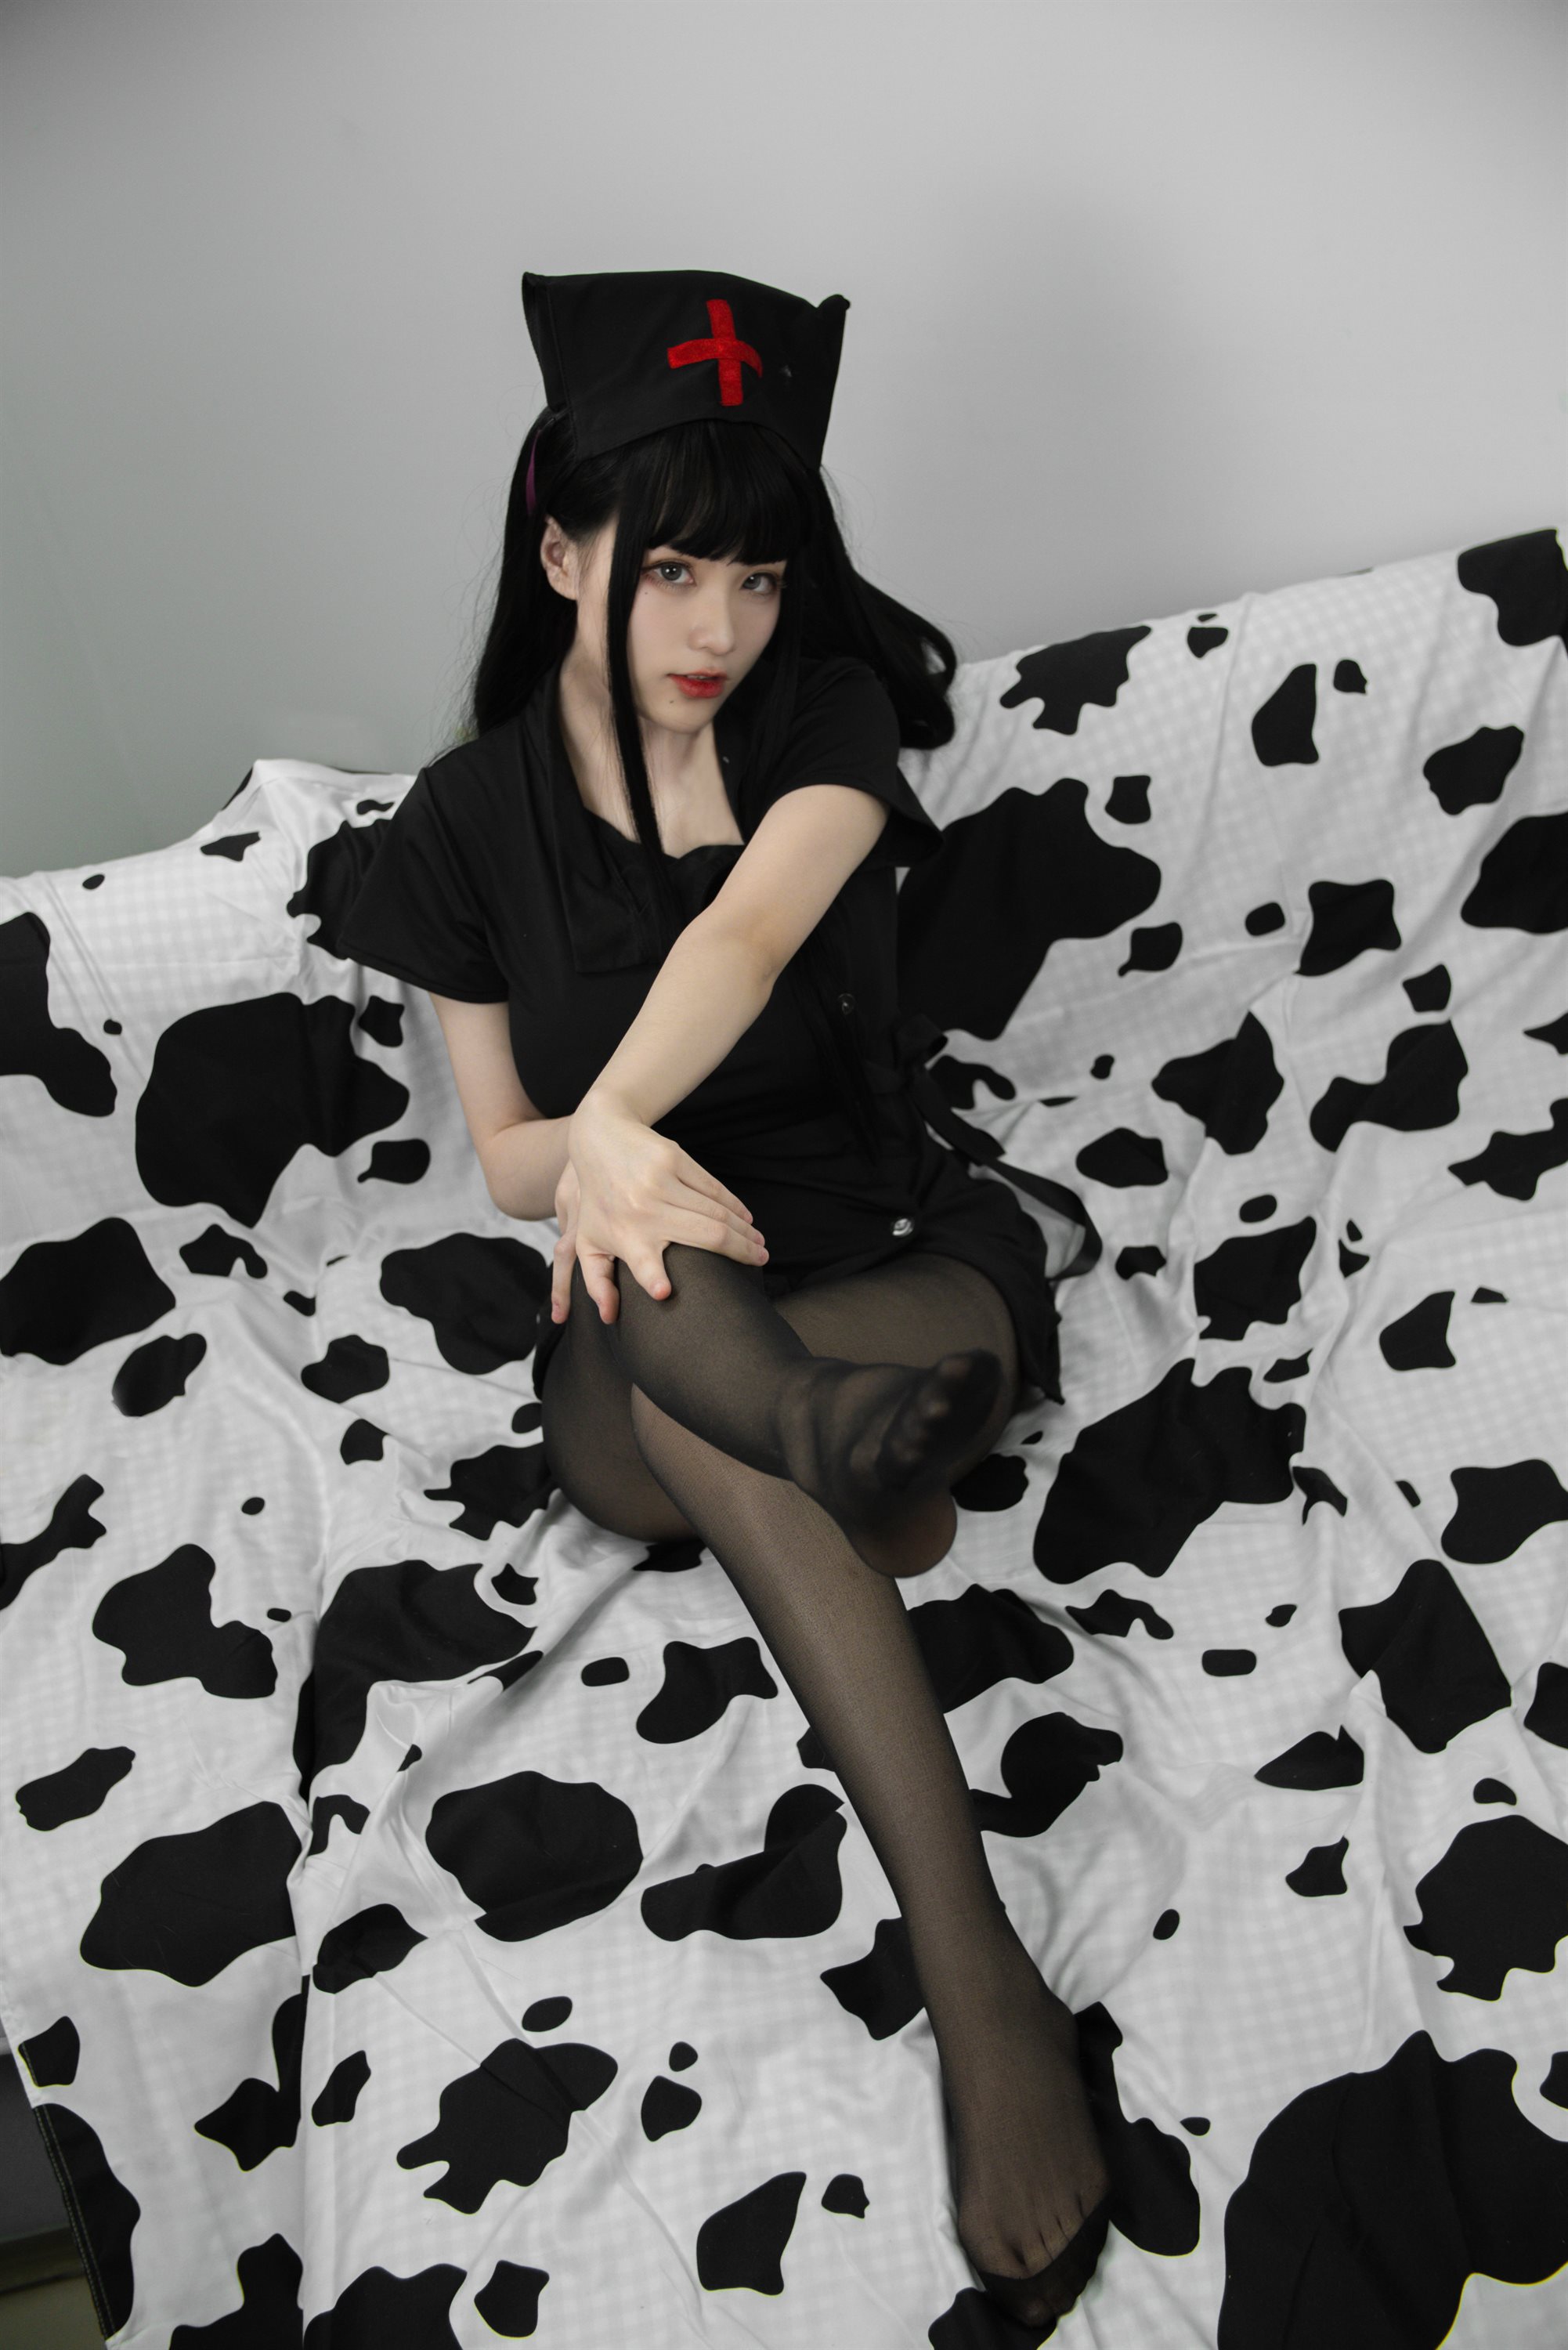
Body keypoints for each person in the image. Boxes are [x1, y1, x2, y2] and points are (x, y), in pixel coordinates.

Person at [339, 267, 1112, 2330]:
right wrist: (597, 1158)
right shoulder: (458, 826)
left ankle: (979, 1988)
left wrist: (605, 1126)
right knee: (659, 1268)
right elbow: (507, 1156)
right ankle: (818, 1445)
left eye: (756, 576)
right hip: (657, 1317)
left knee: (710, 1357)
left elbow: (750, 937)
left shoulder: (820, 718)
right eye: (670, 569)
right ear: (560, 552)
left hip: (893, 1275)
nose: (720, 626)